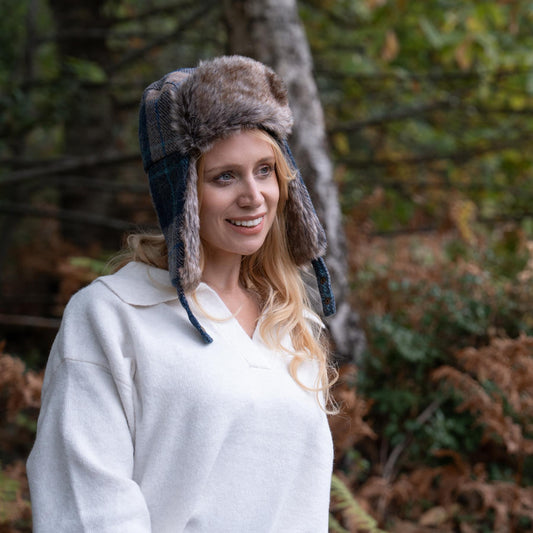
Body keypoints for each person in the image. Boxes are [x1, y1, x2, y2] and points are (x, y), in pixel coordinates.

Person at [27, 55, 337, 532]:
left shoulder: (290, 324)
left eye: (264, 170)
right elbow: (87, 506)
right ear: (181, 193)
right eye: (224, 176)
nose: (254, 196)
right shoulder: (111, 316)